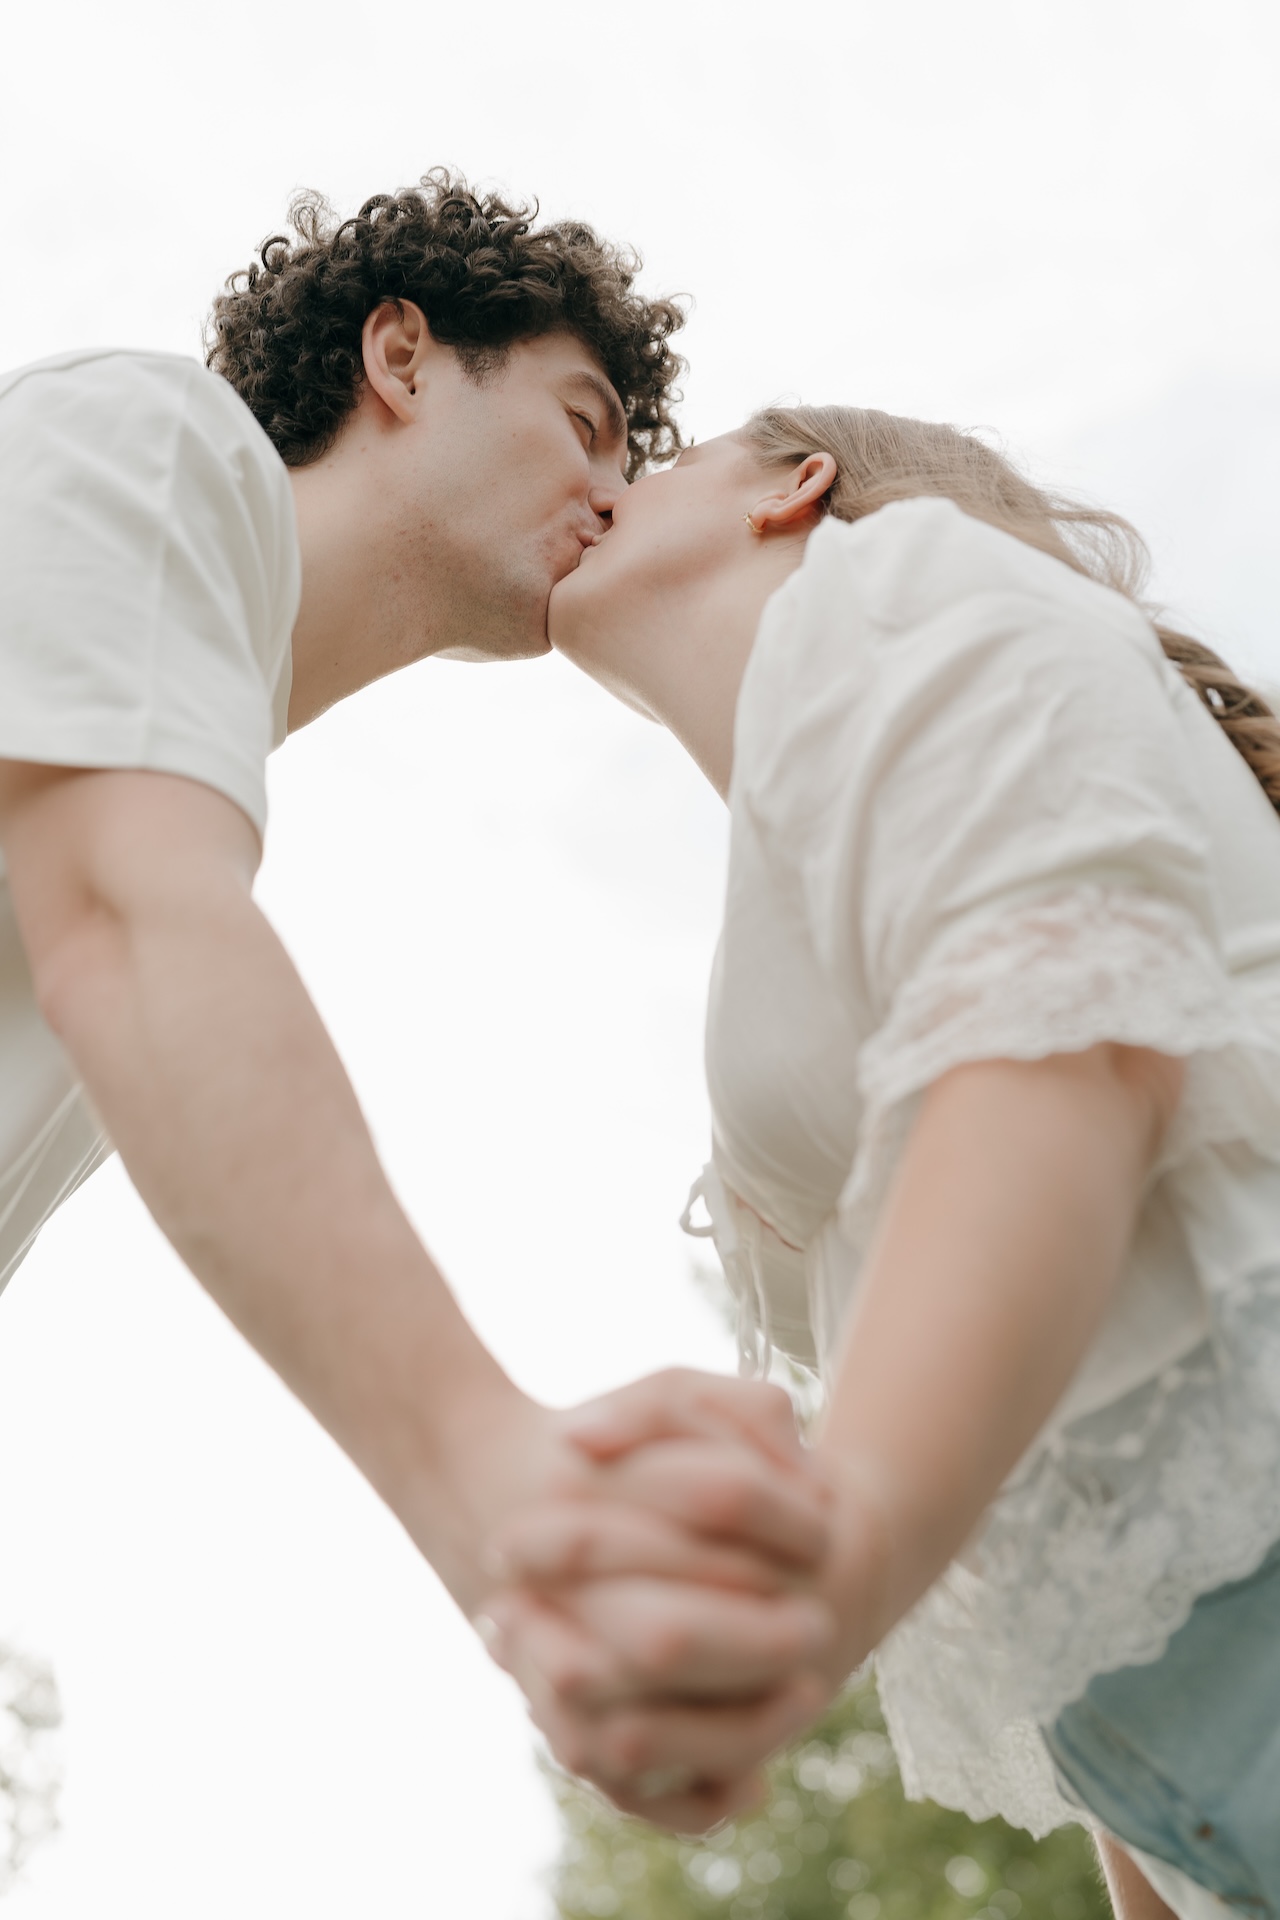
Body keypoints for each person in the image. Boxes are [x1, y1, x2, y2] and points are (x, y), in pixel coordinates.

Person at [0, 172, 841, 1831]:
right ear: (401, 356)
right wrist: (491, 1480)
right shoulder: (150, 440)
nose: (614, 495)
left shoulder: (195, 758)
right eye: (585, 422)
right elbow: (125, 925)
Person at [485, 405, 1280, 1911]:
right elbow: (1066, 1532)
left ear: (798, 489)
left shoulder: (905, 580)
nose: (605, 487)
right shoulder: (799, 858)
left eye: (656, 458)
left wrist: (821, 1567)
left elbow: (1066, 1055)